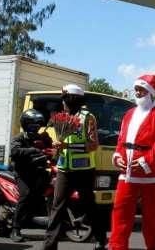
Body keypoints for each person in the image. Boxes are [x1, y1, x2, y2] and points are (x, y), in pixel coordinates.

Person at [42, 84, 107, 250]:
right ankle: (49, 246)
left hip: (84, 169)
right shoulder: (61, 117)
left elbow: (94, 145)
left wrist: (68, 147)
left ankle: (100, 239)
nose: (62, 103)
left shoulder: (88, 117)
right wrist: (56, 147)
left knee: (89, 205)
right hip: (64, 168)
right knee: (57, 207)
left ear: (72, 99)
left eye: (64, 99)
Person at [110, 74, 155, 250]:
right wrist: (117, 156)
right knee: (120, 213)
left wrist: (146, 160)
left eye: (141, 89)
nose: (137, 92)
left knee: (152, 218)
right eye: (136, 89)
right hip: (128, 174)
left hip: (153, 176)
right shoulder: (129, 114)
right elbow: (121, 140)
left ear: (150, 92)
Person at [9, 109, 54, 243]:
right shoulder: (20, 138)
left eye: (37, 124)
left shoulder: (41, 138)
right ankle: (15, 229)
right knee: (26, 194)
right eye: (32, 124)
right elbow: (14, 151)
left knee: (50, 191)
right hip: (23, 174)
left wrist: (50, 143)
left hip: (39, 172)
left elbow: (51, 150)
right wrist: (32, 150)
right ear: (25, 124)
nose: (35, 127)